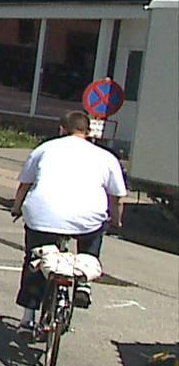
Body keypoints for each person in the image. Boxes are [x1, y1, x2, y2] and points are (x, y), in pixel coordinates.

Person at [11, 110, 126, 328]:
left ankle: (28, 317)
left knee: (36, 260)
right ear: (88, 132)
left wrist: (16, 208)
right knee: (93, 233)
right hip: (87, 218)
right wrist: (116, 222)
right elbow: (117, 198)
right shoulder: (106, 157)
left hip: (42, 216)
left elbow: (24, 185)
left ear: (62, 129)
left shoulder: (44, 149)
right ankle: (83, 283)